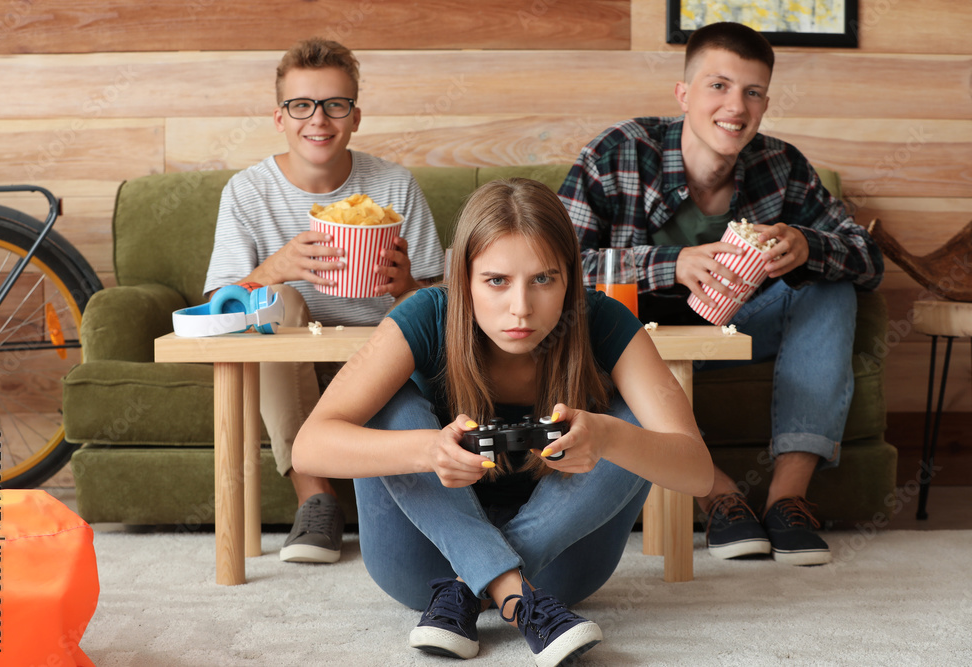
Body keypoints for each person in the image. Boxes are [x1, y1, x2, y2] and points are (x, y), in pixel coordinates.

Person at [293, 178, 713, 663]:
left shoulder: (603, 321)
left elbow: (698, 471)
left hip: (556, 570)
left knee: (628, 420)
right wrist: (428, 450)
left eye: (544, 279)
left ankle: (479, 585)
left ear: (570, 278)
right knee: (390, 406)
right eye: (496, 281)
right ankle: (514, 594)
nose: (521, 308)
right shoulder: (427, 314)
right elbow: (309, 446)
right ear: (463, 280)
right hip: (423, 565)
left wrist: (608, 437)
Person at [558, 21, 884, 566]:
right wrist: (671, 262)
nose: (736, 106)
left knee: (831, 289)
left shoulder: (782, 166)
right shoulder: (617, 153)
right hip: (630, 343)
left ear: (765, 104)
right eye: (719, 85)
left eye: (752, 92)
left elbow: (869, 259)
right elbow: (555, 268)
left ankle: (787, 502)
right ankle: (720, 496)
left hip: (736, 330)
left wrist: (808, 245)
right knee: (588, 338)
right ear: (683, 94)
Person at [204, 38, 445, 565]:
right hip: (287, 363)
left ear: (355, 116)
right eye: (301, 105)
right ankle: (316, 499)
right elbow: (219, 309)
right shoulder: (247, 192)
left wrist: (407, 285)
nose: (318, 119)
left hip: (380, 356)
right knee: (275, 298)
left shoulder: (395, 186)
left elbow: (443, 306)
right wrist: (272, 270)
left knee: (419, 308)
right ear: (280, 118)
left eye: (335, 104)